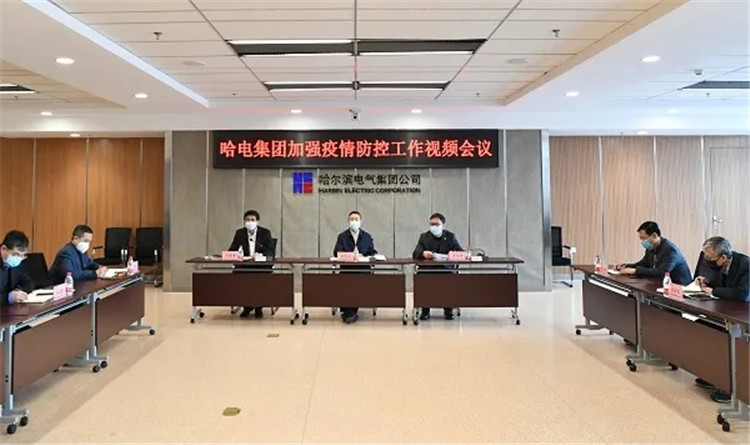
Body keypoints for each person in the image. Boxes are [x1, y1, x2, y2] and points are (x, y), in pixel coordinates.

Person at [692, 236, 750, 403]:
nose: (707, 261)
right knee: (703, 326)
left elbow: (742, 294)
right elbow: (710, 280)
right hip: (724, 309)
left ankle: (731, 386)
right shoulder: (714, 261)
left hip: (743, 314)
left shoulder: (745, 265)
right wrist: (703, 281)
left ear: (723, 257)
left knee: (727, 337)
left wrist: (712, 291)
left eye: (710, 259)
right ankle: (714, 376)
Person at [412, 212, 464, 320]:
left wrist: (452, 255)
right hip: (427, 270)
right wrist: (423, 253)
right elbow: (416, 252)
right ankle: (425, 310)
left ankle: (448, 310)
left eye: (436, 224)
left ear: (443, 225)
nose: (434, 227)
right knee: (423, 280)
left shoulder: (450, 236)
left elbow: (460, 252)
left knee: (449, 281)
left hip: (445, 269)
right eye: (431, 224)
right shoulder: (424, 237)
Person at [228, 209, 276, 318]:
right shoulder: (240, 233)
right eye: (247, 220)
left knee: (260, 279)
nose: (250, 222)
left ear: (257, 221)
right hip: (244, 265)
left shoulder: (265, 233)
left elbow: (271, 251)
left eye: (252, 220)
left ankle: (259, 307)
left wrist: (260, 255)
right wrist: (238, 254)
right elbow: (232, 249)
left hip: (261, 266)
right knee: (240, 278)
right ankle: (247, 307)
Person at [333, 210, 377, 324]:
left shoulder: (367, 236)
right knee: (346, 284)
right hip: (347, 269)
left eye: (356, 219)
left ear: (361, 221)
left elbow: (372, 251)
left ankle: (349, 312)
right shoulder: (342, 236)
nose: (354, 221)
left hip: (363, 270)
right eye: (351, 219)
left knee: (358, 283)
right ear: (348, 221)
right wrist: (350, 255)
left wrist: (368, 255)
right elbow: (336, 252)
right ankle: (349, 311)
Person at [615, 221, 692, 285]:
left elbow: (661, 272)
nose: (643, 242)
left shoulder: (671, 250)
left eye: (644, 238)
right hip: (660, 285)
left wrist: (635, 271)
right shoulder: (651, 248)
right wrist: (626, 266)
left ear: (654, 235)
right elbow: (643, 263)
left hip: (679, 288)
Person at [0, 230, 33, 306]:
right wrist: (8, 297)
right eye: (16, 254)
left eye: (22, 255)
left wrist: (18, 291)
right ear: (3, 249)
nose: (18, 259)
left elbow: (28, 283)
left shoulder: (17, 263)